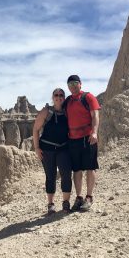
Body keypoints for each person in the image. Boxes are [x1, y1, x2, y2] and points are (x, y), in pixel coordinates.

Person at [33, 88, 72, 214]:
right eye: (56, 95)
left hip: (63, 148)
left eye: (61, 95)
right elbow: (35, 130)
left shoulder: (67, 112)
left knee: (66, 174)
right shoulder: (46, 111)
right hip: (47, 149)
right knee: (50, 176)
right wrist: (37, 148)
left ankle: (66, 203)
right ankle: (50, 204)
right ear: (52, 97)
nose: (59, 97)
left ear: (64, 97)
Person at [64, 75, 100, 211]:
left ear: (80, 84)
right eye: (70, 84)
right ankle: (79, 197)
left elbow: (95, 115)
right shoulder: (68, 101)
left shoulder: (88, 97)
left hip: (88, 137)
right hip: (73, 139)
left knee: (90, 167)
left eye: (75, 83)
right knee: (77, 169)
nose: (72, 86)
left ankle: (89, 197)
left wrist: (95, 132)